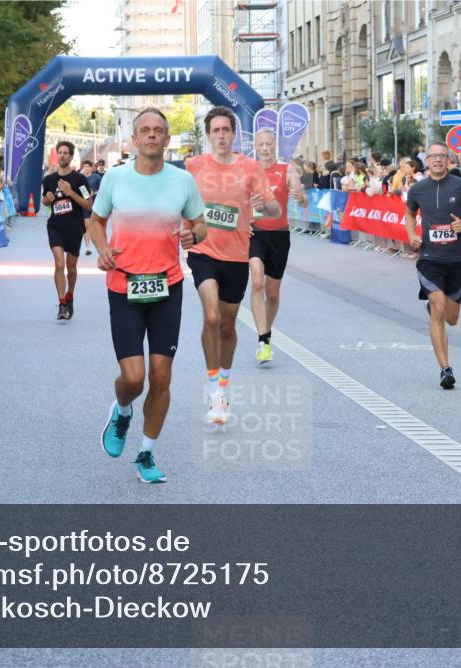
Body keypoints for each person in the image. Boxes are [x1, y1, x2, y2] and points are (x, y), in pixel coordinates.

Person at [87, 108, 208, 484]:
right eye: (145, 131)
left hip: (166, 285)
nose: (152, 136)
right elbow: (96, 220)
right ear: (134, 140)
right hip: (124, 285)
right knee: (134, 377)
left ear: (167, 139)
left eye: (159, 130)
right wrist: (103, 248)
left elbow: (200, 224)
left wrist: (194, 236)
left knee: (161, 376)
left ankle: (146, 453)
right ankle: (122, 410)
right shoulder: (115, 178)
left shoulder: (182, 181)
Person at [186, 106, 279, 424]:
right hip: (203, 252)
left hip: (237, 256)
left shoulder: (250, 168)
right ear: (209, 135)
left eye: (226, 130)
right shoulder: (194, 166)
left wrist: (262, 204)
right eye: (216, 131)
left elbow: (274, 206)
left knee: (227, 325)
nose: (222, 136)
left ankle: (224, 380)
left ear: (234, 134)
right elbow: (180, 202)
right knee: (211, 316)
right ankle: (215, 392)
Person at [404, 143, 461, 389]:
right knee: (438, 306)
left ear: (448, 160)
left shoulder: (460, 185)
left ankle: (437, 310)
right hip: (429, 259)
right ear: (427, 161)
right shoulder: (418, 189)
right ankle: (445, 369)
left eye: (442, 157)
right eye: (434, 157)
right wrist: (412, 235)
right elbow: (410, 214)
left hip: (455, 260)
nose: (438, 160)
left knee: (450, 318)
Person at [250, 129, 306, 365]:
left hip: (279, 236)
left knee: (272, 294)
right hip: (254, 234)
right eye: (261, 144)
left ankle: (267, 333)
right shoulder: (248, 172)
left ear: (274, 145)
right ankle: (263, 340)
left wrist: (301, 198)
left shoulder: (287, 169)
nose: (265, 148)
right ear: (255, 146)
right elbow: (236, 201)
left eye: (268, 144)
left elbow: (302, 198)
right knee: (257, 282)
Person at [41, 140, 91, 320]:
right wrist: (47, 199)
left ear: (71, 157)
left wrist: (71, 192)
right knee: (59, 264)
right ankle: (62, 303)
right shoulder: (49, 179)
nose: (61, 156)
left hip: (74, 228)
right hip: (55, 227)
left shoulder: (80, 179)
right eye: (59, 152)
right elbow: (45, 202)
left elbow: (88, 203)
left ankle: (70, 295)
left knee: (71, 267)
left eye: (65, 153)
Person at [80, 159, 100, 255]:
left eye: (88, 166)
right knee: (87, 226)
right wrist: (85, 195)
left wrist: (94, 192)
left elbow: (102, 189)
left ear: (91, 167)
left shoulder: (96, 177)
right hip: (84, 205)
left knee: (94, 226)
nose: (86, 168)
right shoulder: (80, 177)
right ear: (82, 168)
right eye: (85, 166)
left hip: (95, 205)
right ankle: (88, 248)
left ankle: (97, 244)